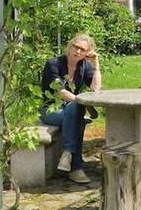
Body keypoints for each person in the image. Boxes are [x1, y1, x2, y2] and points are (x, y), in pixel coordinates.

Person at [40, 33, 102, 184]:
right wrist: (80, 101)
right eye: (76, 47)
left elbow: (95, 89)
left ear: (87, 53)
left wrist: (96, 66)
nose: (78, 51)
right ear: (70, 46)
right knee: (77, 114)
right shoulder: (53, 64)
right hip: (51, 111)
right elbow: (59, 91)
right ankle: (75, 168)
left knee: (75, 114)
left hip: (70, 109)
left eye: (83, 49)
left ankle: (68, 154)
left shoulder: (84, 66)